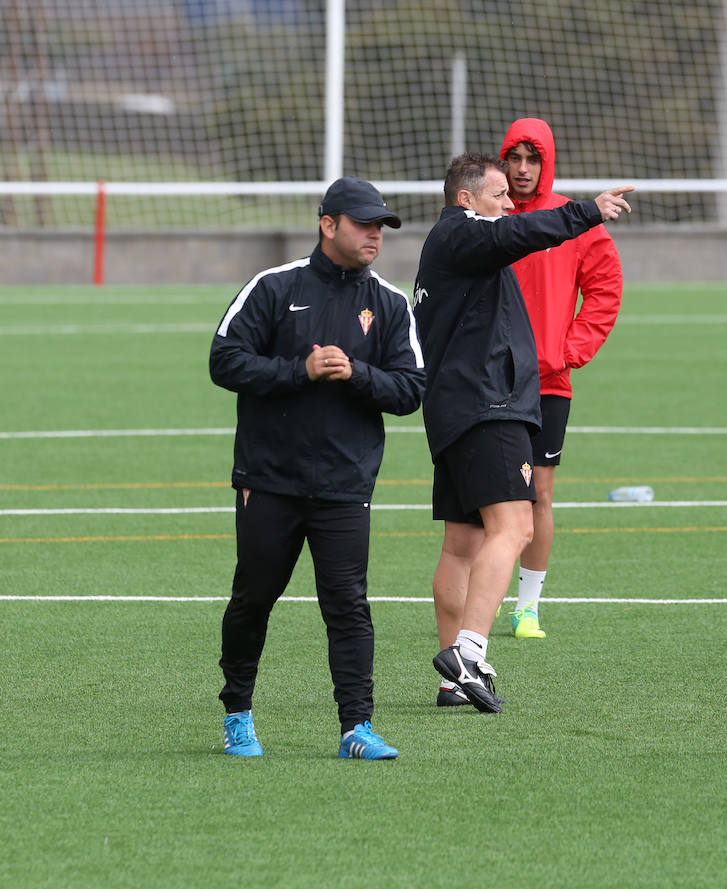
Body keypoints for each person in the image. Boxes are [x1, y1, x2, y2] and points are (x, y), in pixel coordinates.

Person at [209, 176, 426, 759]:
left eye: (381, 226)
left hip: (344, 483)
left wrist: (356, 374)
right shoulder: (273, 287)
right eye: (363, 224)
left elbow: (411, 390)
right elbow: (224, 360)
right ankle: (237, 714)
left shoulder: (388, 302)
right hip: (269, 479)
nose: (374, 235)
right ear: (328, 224)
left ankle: (357, 726)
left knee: (348, 604)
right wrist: (297, 372)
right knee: (254, 598)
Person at [413, 152, 632, 711]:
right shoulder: (462, 235)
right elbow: (522, 232)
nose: (510, 203)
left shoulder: (448, 246)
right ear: (467, 201)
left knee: (462, 545)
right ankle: (470, 651)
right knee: (515, 527)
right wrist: (588, 211)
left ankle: (451, 681)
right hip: (489, 406)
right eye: (498, 196)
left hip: (455, 410)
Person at [499, 118, 624, 639]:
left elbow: (605, 288)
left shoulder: (574, 219)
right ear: (502, 160)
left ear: (546, 163)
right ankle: (473, 595)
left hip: (548, 382)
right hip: (488, 384)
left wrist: (569, 350)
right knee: (483, 496)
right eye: (515, 158)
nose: (523, 169)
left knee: (539, 496)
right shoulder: (488, 215)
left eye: (533, 159)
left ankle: (527, 605)